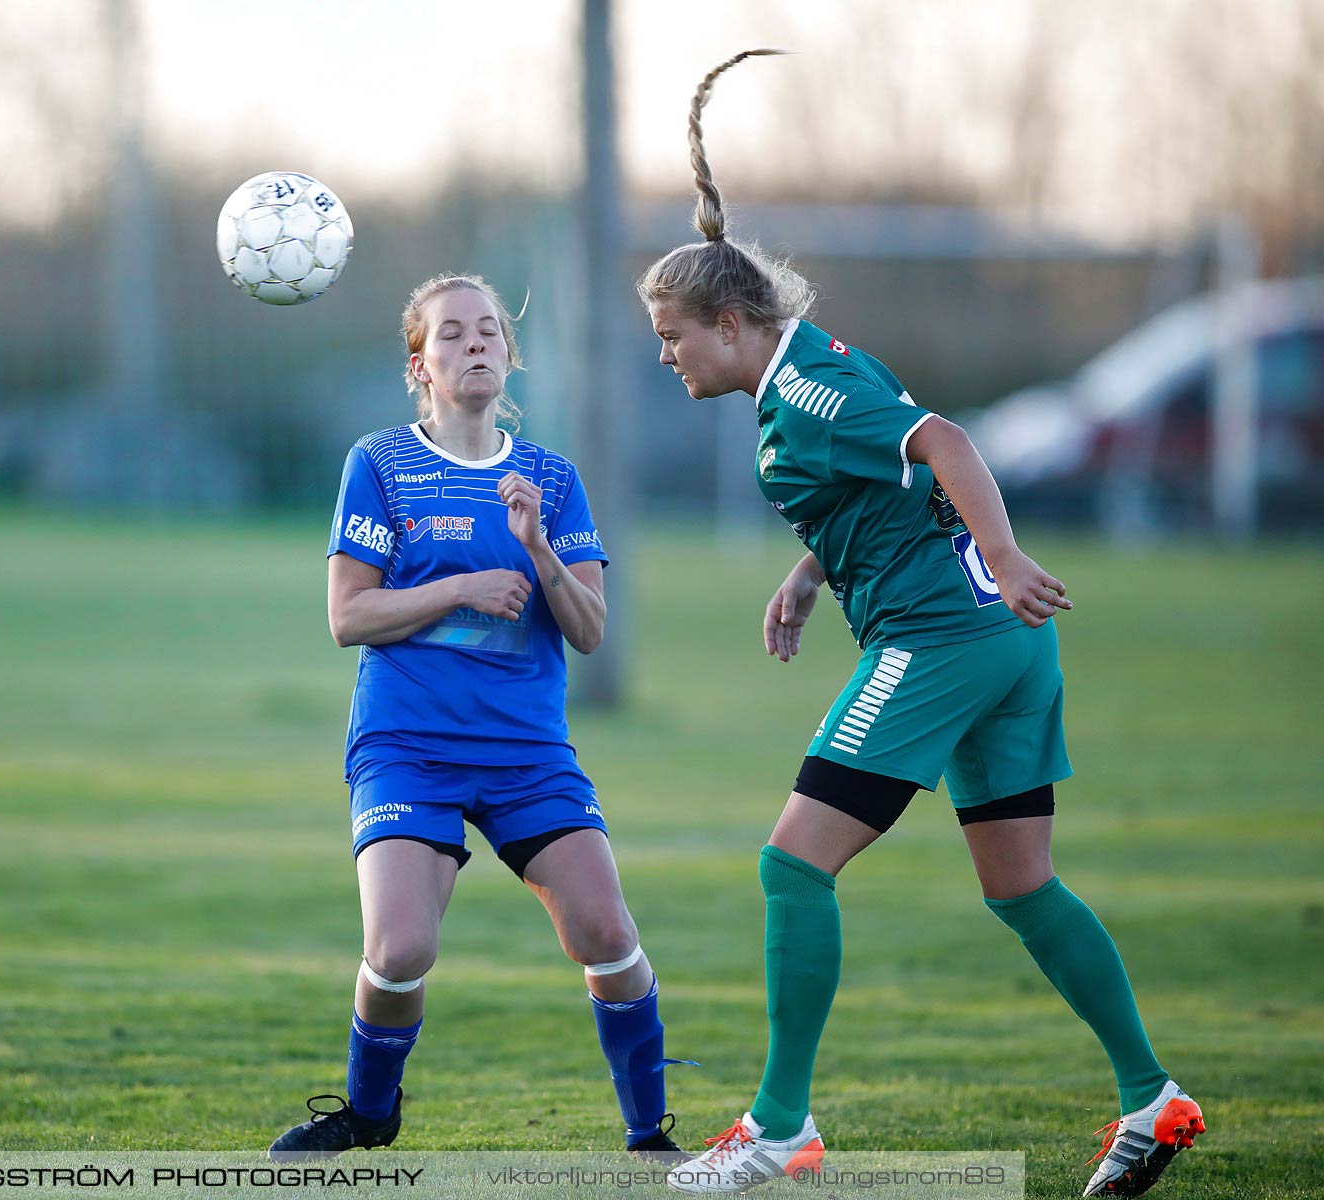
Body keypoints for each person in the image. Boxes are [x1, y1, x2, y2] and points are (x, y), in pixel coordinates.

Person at [637, 55, 1201, 1198]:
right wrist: (809, 575)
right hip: (1001, 645)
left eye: (673, 336)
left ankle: (780, 1130)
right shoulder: (809, 379)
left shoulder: (806, 390)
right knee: (1022, 886)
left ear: (734, 324)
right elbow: (881, 486)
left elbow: (943, 441)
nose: (667, 355)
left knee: (792, 864)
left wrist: (1001, 550)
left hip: (942, 638)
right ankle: (1154, 1100)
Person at [269, 274, 684, 1159]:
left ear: (510, 353)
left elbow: (589, 629)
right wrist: (458, 586)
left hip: (527, 753)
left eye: (490, 330)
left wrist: (536, 548)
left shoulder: (551, 479)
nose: (477, 343)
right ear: (419, 364)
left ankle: (649, 1136)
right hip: (407, 747)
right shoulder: (379, 463)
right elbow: (348, 617)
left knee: (605, 933)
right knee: (401, 946)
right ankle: (369, 1113)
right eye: (452, 333)